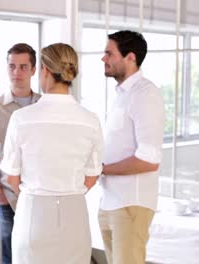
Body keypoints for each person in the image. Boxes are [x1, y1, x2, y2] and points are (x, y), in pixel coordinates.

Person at [0, 43, 104, 263]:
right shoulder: (90, 120)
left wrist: (36, 196)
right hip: (74, 214)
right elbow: (93, 176)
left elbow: (11, 175)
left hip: (33, 214)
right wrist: (66, 190)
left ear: (44, 70)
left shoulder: (22, 118)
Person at [98, 30, 165, 264]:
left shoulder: (145, 94)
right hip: (110, 202)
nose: (103, 58)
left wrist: (102, 169)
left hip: (130, 205)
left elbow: (149, 159)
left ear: (130, 57)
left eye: (109, 53)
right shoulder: (121, 95)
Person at [0, 43, 40, 264]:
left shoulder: (44, 105)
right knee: (10, 258)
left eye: (23, 67)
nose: (17, 72)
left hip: (41, 198)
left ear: (33, 70)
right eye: (12, 66)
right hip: (8, 200)